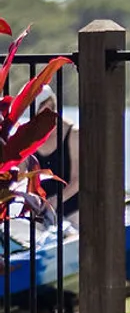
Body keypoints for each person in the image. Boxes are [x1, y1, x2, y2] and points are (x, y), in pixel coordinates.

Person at [28, 86, 75, 226]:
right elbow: (20, 174)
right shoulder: (28, 136)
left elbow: (79, 179)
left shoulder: (73, 134)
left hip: (71, 205)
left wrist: (54, 201)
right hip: (39, 209)